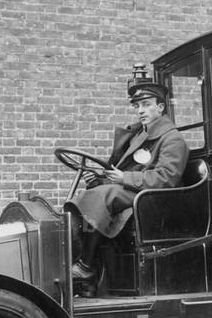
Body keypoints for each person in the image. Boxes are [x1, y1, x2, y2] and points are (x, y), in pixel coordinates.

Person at [66, 78, 189, 281]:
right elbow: (124, 167)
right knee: (93, 193)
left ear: (160, 107)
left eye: (147, 105)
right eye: (138, 106)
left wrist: (124, 177)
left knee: (105, 195)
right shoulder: (139, 135)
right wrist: (100, 176)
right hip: (137, 190)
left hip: (157, 198)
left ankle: (86, 265)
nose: (141, 110)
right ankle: (85, 264)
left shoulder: (172, 139)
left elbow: (167, 178)